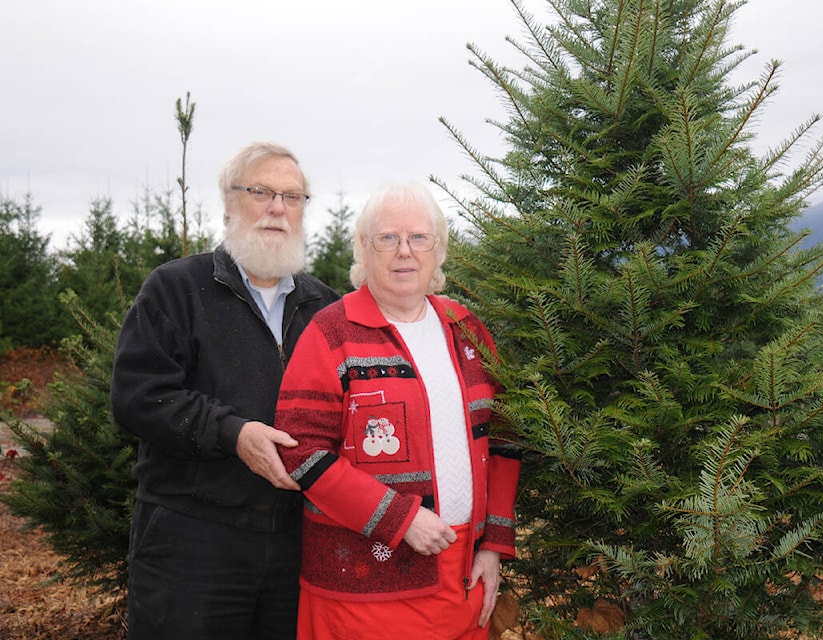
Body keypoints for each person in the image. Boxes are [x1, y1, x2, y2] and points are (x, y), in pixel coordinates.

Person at [110, 141, 341, 640]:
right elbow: (138, 395)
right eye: (261, 192)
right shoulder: (175, 288)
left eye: (293, 197)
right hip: (193, 541)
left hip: (297, 544)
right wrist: (232, 434)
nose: (278, 208)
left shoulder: (326, 307)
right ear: (229, 201)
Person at [275, 181, 521, 639]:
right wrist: (399, 518)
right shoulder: (332, 332)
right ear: (364, 251)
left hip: (461, 574)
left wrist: (493, 546)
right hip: (361, 595)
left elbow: (505, 441)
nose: (404, 251)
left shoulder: (466, 328)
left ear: (439, 249)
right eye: (387, 238)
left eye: (419, 238)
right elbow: (302, 450)